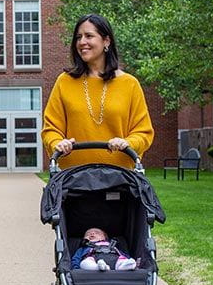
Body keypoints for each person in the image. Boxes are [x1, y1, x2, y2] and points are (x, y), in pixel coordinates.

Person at [41, 13, 154, 169]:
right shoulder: (65, 82)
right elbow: (51, 129)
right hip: (73, 180)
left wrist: (128, 143)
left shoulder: (129, 84)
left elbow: (143, 132)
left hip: (119, 179)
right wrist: (58, 143)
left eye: (89, 36)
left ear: (106, 41)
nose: (82, 42)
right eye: (78, 37)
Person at [71, 227, 137, 271]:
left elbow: (122, 254)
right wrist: (76, 268)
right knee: (85, 263)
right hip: (93, 259)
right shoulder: (84, 248)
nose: (92, 233)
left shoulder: (112, 245)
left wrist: (128, 259)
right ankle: (96, 267)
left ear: (104, 237)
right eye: (88, 234)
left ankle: (124, 266)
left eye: (97, 233)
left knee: (122, 259)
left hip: (114, 258)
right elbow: (76, 258)